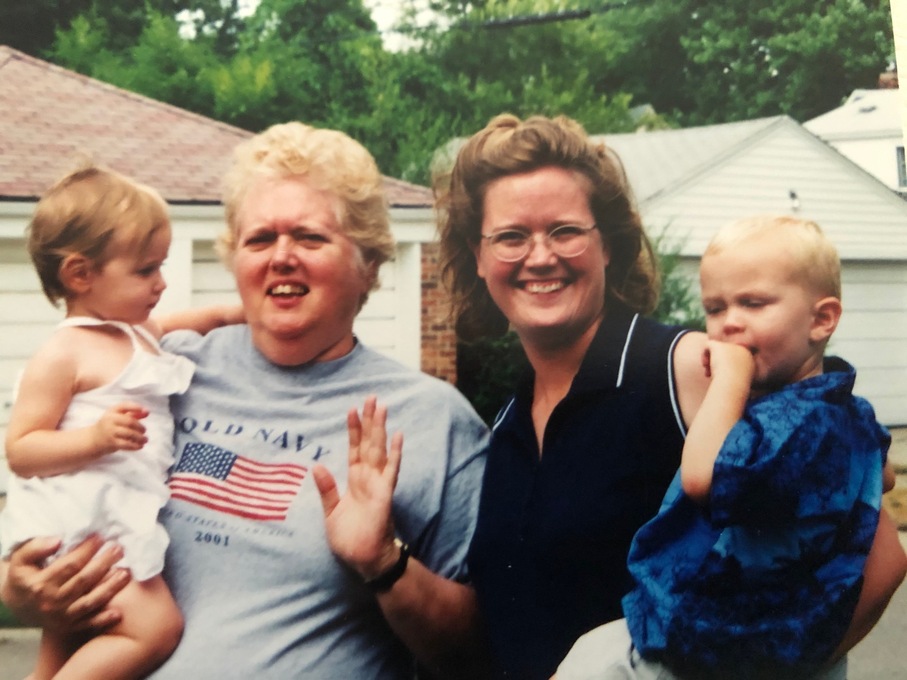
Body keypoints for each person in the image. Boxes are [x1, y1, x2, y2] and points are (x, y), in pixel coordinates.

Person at [1, 122, 490, 679]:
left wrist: (385, 564)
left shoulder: (432, 421)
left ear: (369, 265)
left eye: (309, 238)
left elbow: (481, 654)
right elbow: (52, 490)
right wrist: (19, 586)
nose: (281, 257)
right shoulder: (164, 372)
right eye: (259, 240)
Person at [435, 113, 906, 680]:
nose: (539, 256)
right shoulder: (508, 422)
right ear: (478, 255)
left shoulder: (697, 369)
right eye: (511, 236)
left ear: (607, 246)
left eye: (565, 231)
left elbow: (880, 562)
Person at [555, 215, 907, 680]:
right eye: (715, 309)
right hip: (769, 643)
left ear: (822, 319)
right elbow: (884, 476)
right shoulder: (845, 409)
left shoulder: (797, 420)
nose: (729, 324)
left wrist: (729, 380)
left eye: (753, 303)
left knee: (588, 660)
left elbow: (705, 478)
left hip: (710, 644)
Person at [0, 164, 244, 679]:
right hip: (81, 525)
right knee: (154, 627)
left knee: (61, 650)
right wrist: (95, 439)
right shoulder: (62, 353)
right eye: (145, 270)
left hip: (110, 513)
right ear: (80, 275)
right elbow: (21, 451)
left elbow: (201, 320)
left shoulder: (139, 331)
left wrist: (240, 313)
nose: (161, 282)